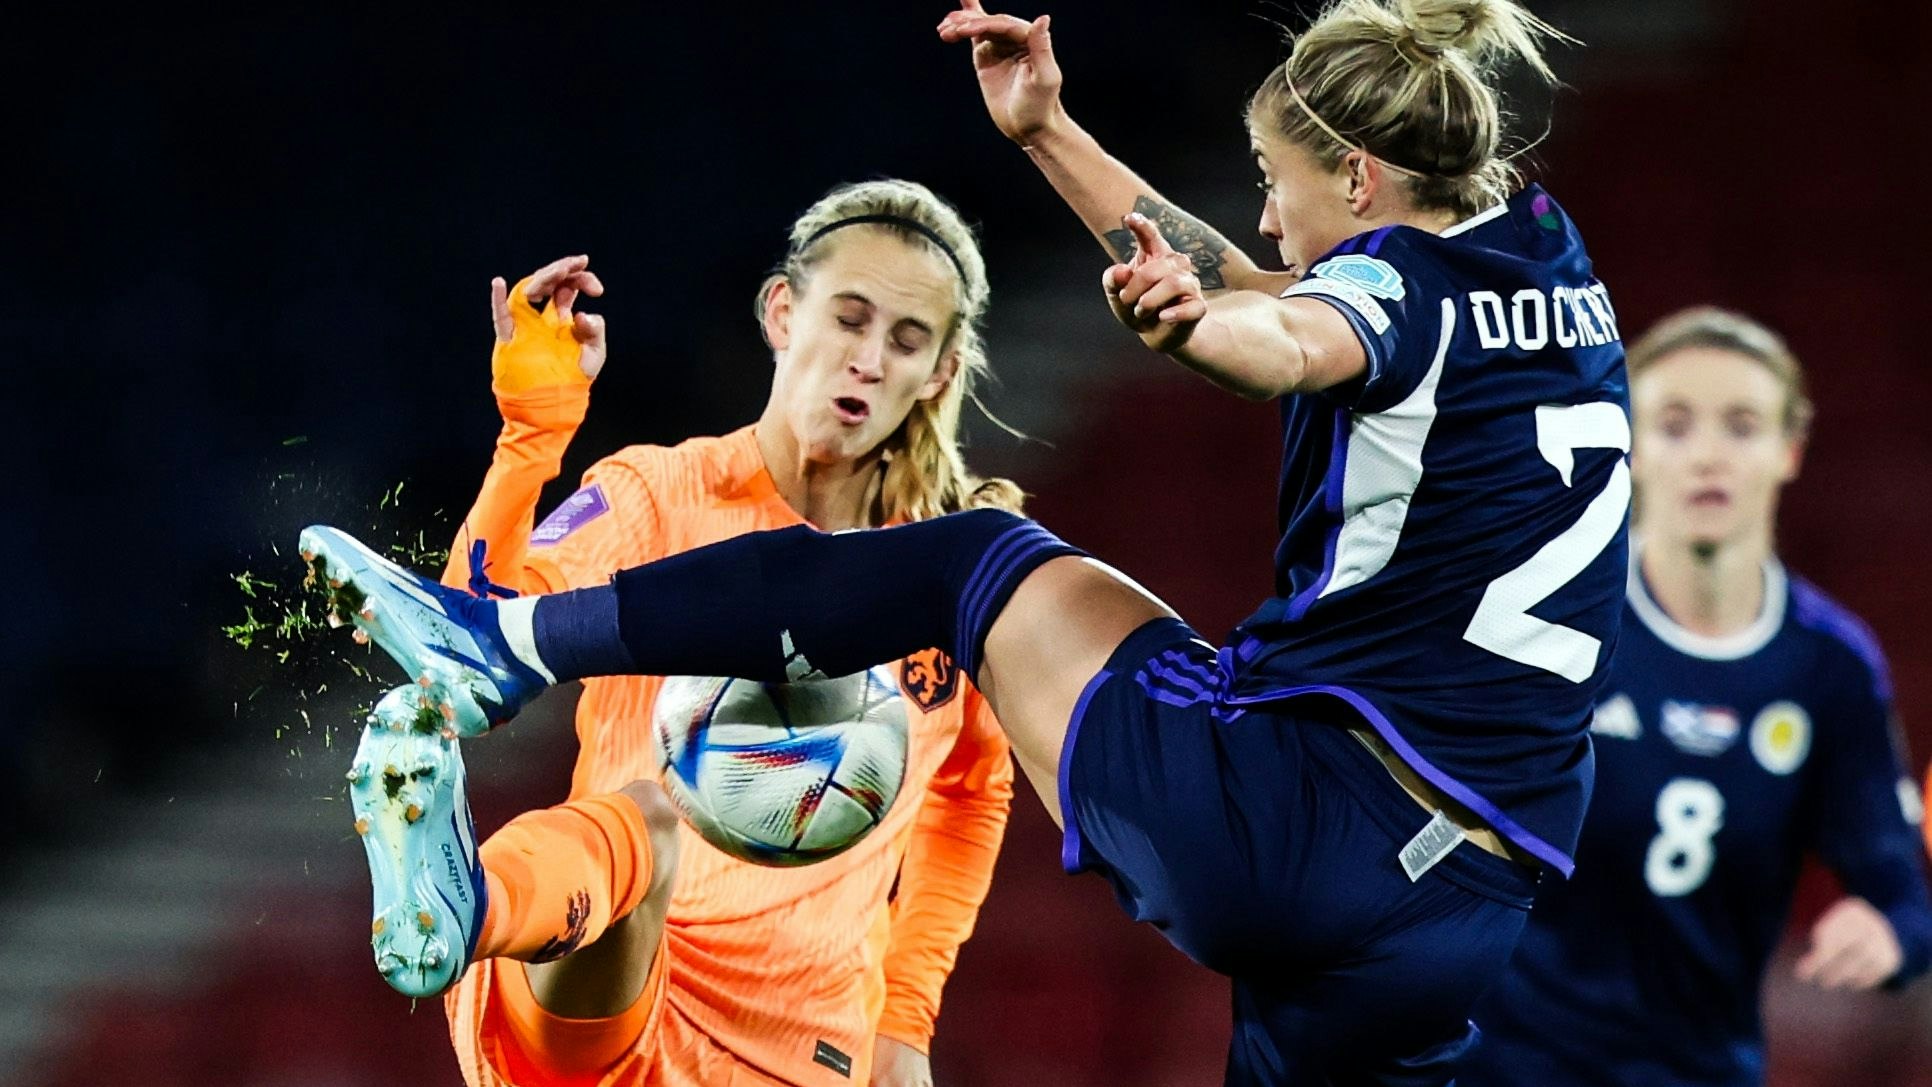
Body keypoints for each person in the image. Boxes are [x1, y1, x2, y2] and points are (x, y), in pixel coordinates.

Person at [301, 0, 1630, 1081]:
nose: (1265, 221)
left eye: (1277, 185)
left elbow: (1280, 330)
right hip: (1463, 908)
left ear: (1356, 173)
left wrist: (1192, 336)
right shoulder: (1547, 263)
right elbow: (1282, 289)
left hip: (1291, 828)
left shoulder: (1384, 293)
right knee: (638, 817)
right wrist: (1050, 133)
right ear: (781, 312)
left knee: (973, 557)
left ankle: (502, 652)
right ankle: (470, 882)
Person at [335, 179, 1020, 1087]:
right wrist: (531, 437)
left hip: (803, 1047)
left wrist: (906, 1016)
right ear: (782, 311)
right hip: (607, 983)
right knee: (649, 820)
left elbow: (974, 788)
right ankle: (466, 909)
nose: (869, 360)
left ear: (939, 370)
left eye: (906, 340)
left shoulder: (948, 572)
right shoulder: (658, 494)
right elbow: (475, 631)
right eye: (849, 320)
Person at [1459, 308, 1932, 1086]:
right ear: (1633, 448)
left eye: (1742, 426)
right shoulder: (1546, 620)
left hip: (1701, 1068)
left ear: (1789, 450)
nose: (1709, 455)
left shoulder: (1828, 666)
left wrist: (1886, 929)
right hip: (1506, 1062)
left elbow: (1899, 892)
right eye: (1675, 426)